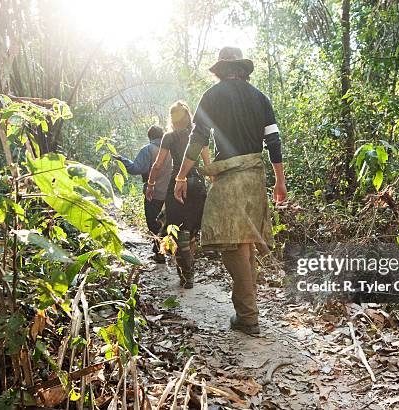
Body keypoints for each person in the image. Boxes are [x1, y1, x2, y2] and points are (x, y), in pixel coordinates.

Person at [173, 47, 287, 335]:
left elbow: (197, 139)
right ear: (243, 70)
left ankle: (248, 316)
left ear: (221, 70)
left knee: (232, 243)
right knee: (244, 242)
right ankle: (246, 311)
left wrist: (181, 176)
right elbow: (273, 141)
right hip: (254, 177)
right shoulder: (260, 97)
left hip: (228, 177)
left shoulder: (212, 96)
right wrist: (280, 182)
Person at [146, 101, 210, 288]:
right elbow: (207, 164)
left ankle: (186, 273)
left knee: (177, 229)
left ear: (172, 118)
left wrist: (150, 184)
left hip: (177, 185)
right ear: (189, 117)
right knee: (191, 230)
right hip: (197, 185)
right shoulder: (199, 136)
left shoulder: (169, 137)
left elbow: (158, 165)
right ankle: (189, 271)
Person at [112, 125, 171, 263]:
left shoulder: (148, 149)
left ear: (149, 136)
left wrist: (122, 160)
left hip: (153, 193)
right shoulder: (170, 149)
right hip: (169, 194)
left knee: (153, 223)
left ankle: (160, 253)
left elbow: (136, 168)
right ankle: (164, 250)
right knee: (168, 223)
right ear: (162, 136)